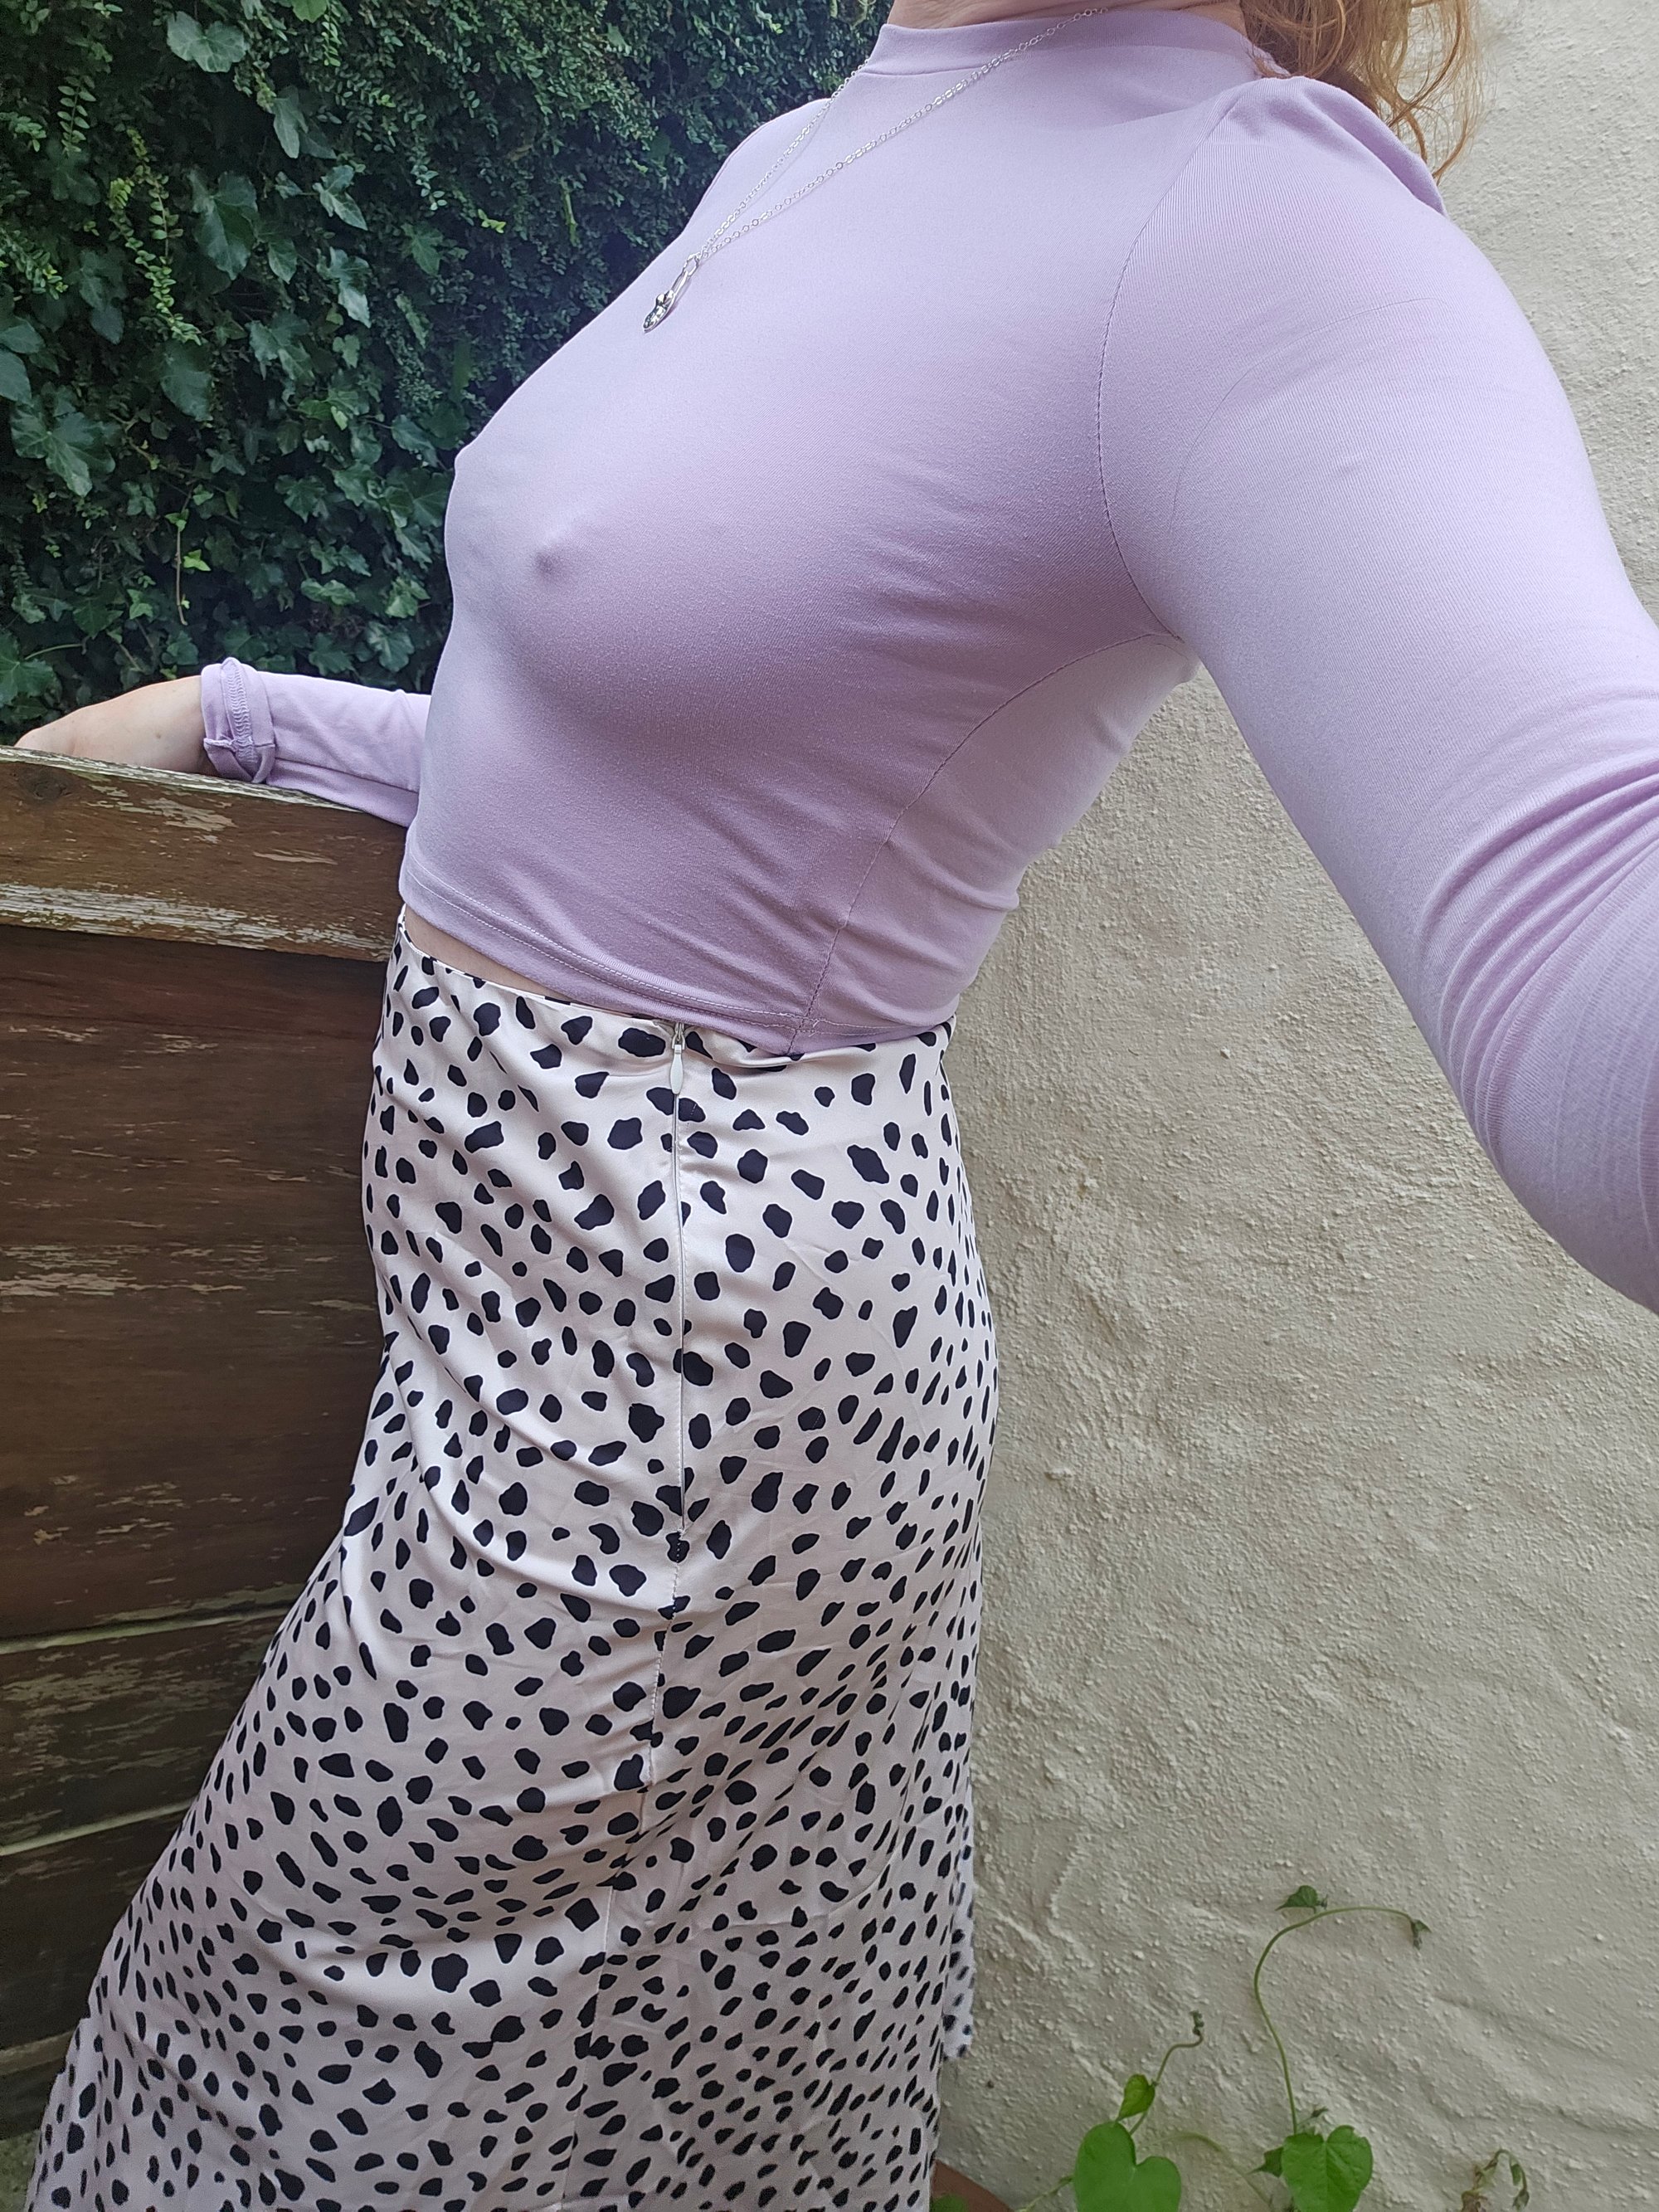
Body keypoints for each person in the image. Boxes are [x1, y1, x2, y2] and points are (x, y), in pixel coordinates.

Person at [17, 0, 1659, 2204]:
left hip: (690, 1398)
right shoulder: (818, 137)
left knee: (292, 2065)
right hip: (539, 1321)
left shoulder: (1245, 218)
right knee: (670, 2092)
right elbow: (634, 744)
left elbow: (1583, 910)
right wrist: (244, 724)